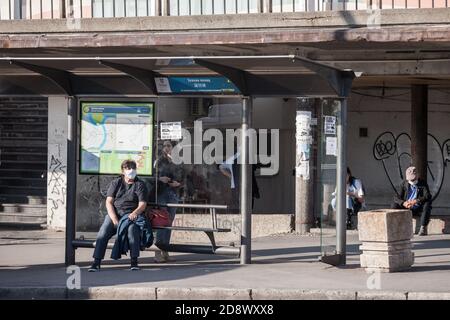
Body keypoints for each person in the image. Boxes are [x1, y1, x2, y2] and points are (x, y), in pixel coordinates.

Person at [88, 160, 148, 272]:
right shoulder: (116, 183)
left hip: (130, 216)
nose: (131, 170)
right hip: (115, 215)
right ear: (123, 171)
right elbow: (109, 202)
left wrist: (135, 213)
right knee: (103, 232)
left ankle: (134, 262)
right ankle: (96, 262)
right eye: (128, 168)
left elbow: (142, 204)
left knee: (132, 231)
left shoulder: (140, 184)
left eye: (133, 168)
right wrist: (115, 219)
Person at [153, 140, 184, 263]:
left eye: (169, 146)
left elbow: (183, 176)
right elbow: (152, 176)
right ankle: (157, 252)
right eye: (164, 146)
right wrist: (160, 179)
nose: (166, 148)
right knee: (161, 222)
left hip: (173, 193)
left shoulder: (177, 161)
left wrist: (178, 183)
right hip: (161, 193)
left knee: (169, 223)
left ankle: (165, 251)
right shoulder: (159, 161)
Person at [391, 166, 432, 236]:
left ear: (417, 176)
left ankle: (423, 228)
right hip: (407, 206)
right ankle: (395, 226)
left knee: (427, 204)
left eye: (413, 179)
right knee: (394, 204)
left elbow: (428, 195)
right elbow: (396, 197)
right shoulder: (404, 184)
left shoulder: (423, 183)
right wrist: (403, 203)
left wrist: (416, 200)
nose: (412, 181)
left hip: (418, 207)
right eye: (410, 180)